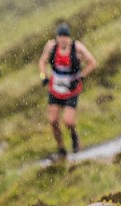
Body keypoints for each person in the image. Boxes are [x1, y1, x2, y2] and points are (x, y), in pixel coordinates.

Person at [38, 22, 97, 159]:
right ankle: (61, 149)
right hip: (55, 89)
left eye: (65, 36)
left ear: (69, 37)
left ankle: (74, 137)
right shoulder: (51, 47)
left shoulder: (77, 47)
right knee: (53, 121)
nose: (63, 39)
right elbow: (42, 62)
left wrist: (80, 77)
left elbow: (92, 62)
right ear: (57, 37)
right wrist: (44, 78)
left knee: (68, 121)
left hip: (71, 90)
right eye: (61, 36)